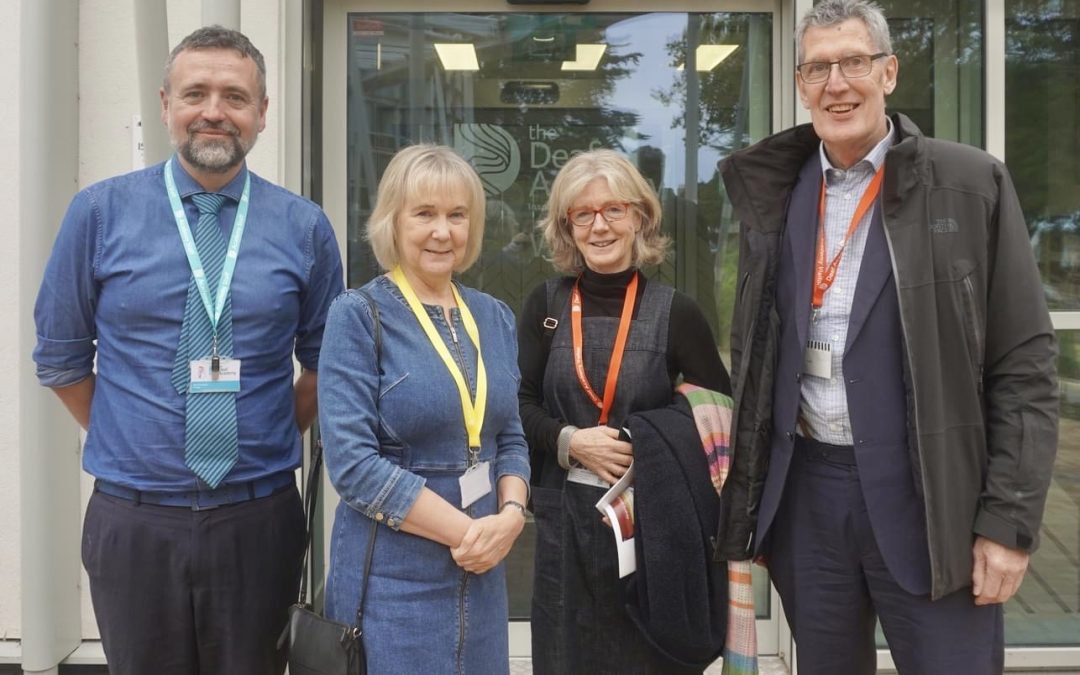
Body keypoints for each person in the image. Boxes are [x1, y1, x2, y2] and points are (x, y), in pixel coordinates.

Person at [718, 1, 1059, 672]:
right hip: (811, 497)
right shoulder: (777, 191)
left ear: (890, 72)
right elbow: (759, 357)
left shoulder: (969, 183)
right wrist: (757, 499)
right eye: (818, 67)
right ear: (799, 83)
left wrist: (1008, 523)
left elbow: (1025, 363)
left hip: (934, 498)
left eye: (853, 62)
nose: (835, 84)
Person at [32, 26, 344, 675]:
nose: (213, 110)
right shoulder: (97, 214)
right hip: (134, 522)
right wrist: (132, 434)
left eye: (234, 96)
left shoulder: (304, 227)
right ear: (166, 103)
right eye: (195, 92)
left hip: (258, 519)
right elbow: (61, 360)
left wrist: (262, 430)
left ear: (262, 113)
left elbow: (323, 365)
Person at [318, 144, 530, 674]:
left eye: (457, 215)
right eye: (425, 214)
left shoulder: (495, 316)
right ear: (393, 219)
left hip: (483, 571)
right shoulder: (358, 315)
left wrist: (511, 516)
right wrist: (468, 534)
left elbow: (511, 437)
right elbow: (353, 466)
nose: (443, 231)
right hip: (392, 579)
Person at [518, 149, 731, 674]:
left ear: (639, 216)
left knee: (642, 658)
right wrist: (570, 442)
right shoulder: (544, 307)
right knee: (565, 658)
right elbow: (516, 405)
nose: (599, 226)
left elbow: (718, 419)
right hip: (562, 521)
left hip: (650, 523)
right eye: (582, 214)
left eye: (613, 209)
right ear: (567, 228)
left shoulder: (676, 312)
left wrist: (649, 441)